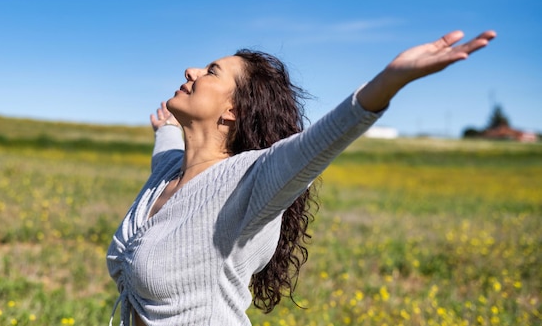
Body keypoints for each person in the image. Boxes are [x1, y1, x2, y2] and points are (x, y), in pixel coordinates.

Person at [107, 29, 496, 326]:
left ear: (233, 110)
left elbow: (319, 143)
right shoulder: (167, 174)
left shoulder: (250, 179)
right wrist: (166, 127)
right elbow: (168, 145)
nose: (190, 71)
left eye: (211, 72)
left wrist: (391, 80)